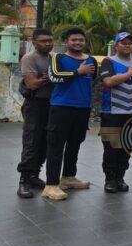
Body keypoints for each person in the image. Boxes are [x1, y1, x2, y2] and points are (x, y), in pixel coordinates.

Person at [42, 27, 98, 201]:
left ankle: (68, 177)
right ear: (67, 41)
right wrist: (77, 72)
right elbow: (54, 77)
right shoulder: (57, 58)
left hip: (82, 108)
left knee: (75, 144)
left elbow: (93, 80)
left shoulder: (91, 60)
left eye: (81, 40)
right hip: (61, 107)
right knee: (56, 145)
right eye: (74, 40)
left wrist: (81, 75)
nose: (78, 42)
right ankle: (51, 185)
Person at [99, 32, 132, 193]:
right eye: (123, 43)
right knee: (111, 148)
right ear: (116, 45)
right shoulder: (108, 62)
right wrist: (128, 74)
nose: (127, 45)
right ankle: (110, 179)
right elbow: (108, 82)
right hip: (111, 112)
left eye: (130, 43)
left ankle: (120, 177)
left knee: (127, 147)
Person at [16, 28, 55, 198]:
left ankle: (34, 176)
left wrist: (50, 76)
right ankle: (24, 181)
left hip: (52, 104)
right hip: (35, 105)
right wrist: (51, 76)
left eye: (50, 40)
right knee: (31, 142)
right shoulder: (29, 58)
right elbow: (32, 84)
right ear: (34, 42)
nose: (48, 43)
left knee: (46, 142)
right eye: (43, 40)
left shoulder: (53, 58)